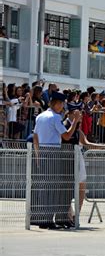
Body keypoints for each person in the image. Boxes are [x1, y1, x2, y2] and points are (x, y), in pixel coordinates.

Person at [30, 91, 81, 229]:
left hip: (42, 151)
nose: (62, 107)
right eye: (61, 104)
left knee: (44, 187)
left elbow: (35, 136)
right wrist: (75, 121)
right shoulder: (55, 117)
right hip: (53, 153)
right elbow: (66, 136)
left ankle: (42, 217)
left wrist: (37, 154)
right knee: (52, 187)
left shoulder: (40, 116)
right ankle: (47, 219)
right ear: (57, 104)